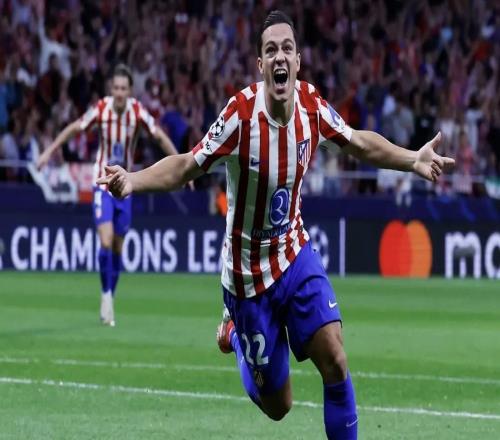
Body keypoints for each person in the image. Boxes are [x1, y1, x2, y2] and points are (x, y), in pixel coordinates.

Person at [97, 12, 454, 439]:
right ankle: (235, 333)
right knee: (278, 406)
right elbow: (187, 165)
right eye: (271, 50)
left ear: (298, 61)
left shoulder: (311, 106)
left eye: (287, 48)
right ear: (261, 65)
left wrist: (412, 159)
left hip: (293, 254)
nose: (279, 56)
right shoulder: (240, 116)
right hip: (247, 279)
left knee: (335, 358)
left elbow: (359, 142)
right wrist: (133, 180)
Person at [37, 64, 178, 327]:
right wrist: (48, 151)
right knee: (106, 239)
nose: (120, 93)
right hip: (102, 183)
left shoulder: (137, 111)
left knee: (117, 247)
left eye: (124, 88)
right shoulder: (101, 109)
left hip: (125, 185)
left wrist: (183, 166)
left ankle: (110, 296)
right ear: (111, 89)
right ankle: (105, 296)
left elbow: (159, 136)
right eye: (116, 88)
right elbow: (75, 128)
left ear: (130, 90)